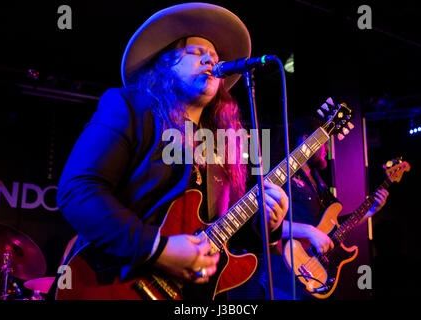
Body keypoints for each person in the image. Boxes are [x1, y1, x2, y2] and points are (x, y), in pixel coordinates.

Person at [53, 3, 288, 300]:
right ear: (164, 65)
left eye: (215, 56)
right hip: (115, 283)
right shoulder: (129, 107)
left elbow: (226, 241)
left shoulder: (225, 143)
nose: (209, 60)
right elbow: (77, 190)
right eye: (194, 52)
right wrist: (157, 248)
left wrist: (267, 225)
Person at [228, 116, 389, 300]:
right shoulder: (281, 175)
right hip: (285, 273)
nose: (327, 149)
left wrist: (369, 211)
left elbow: (335, 227)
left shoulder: (319, 182)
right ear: (308, 141)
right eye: (324, 144)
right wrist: (309, 231)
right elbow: (262, 222)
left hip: (314, 273)